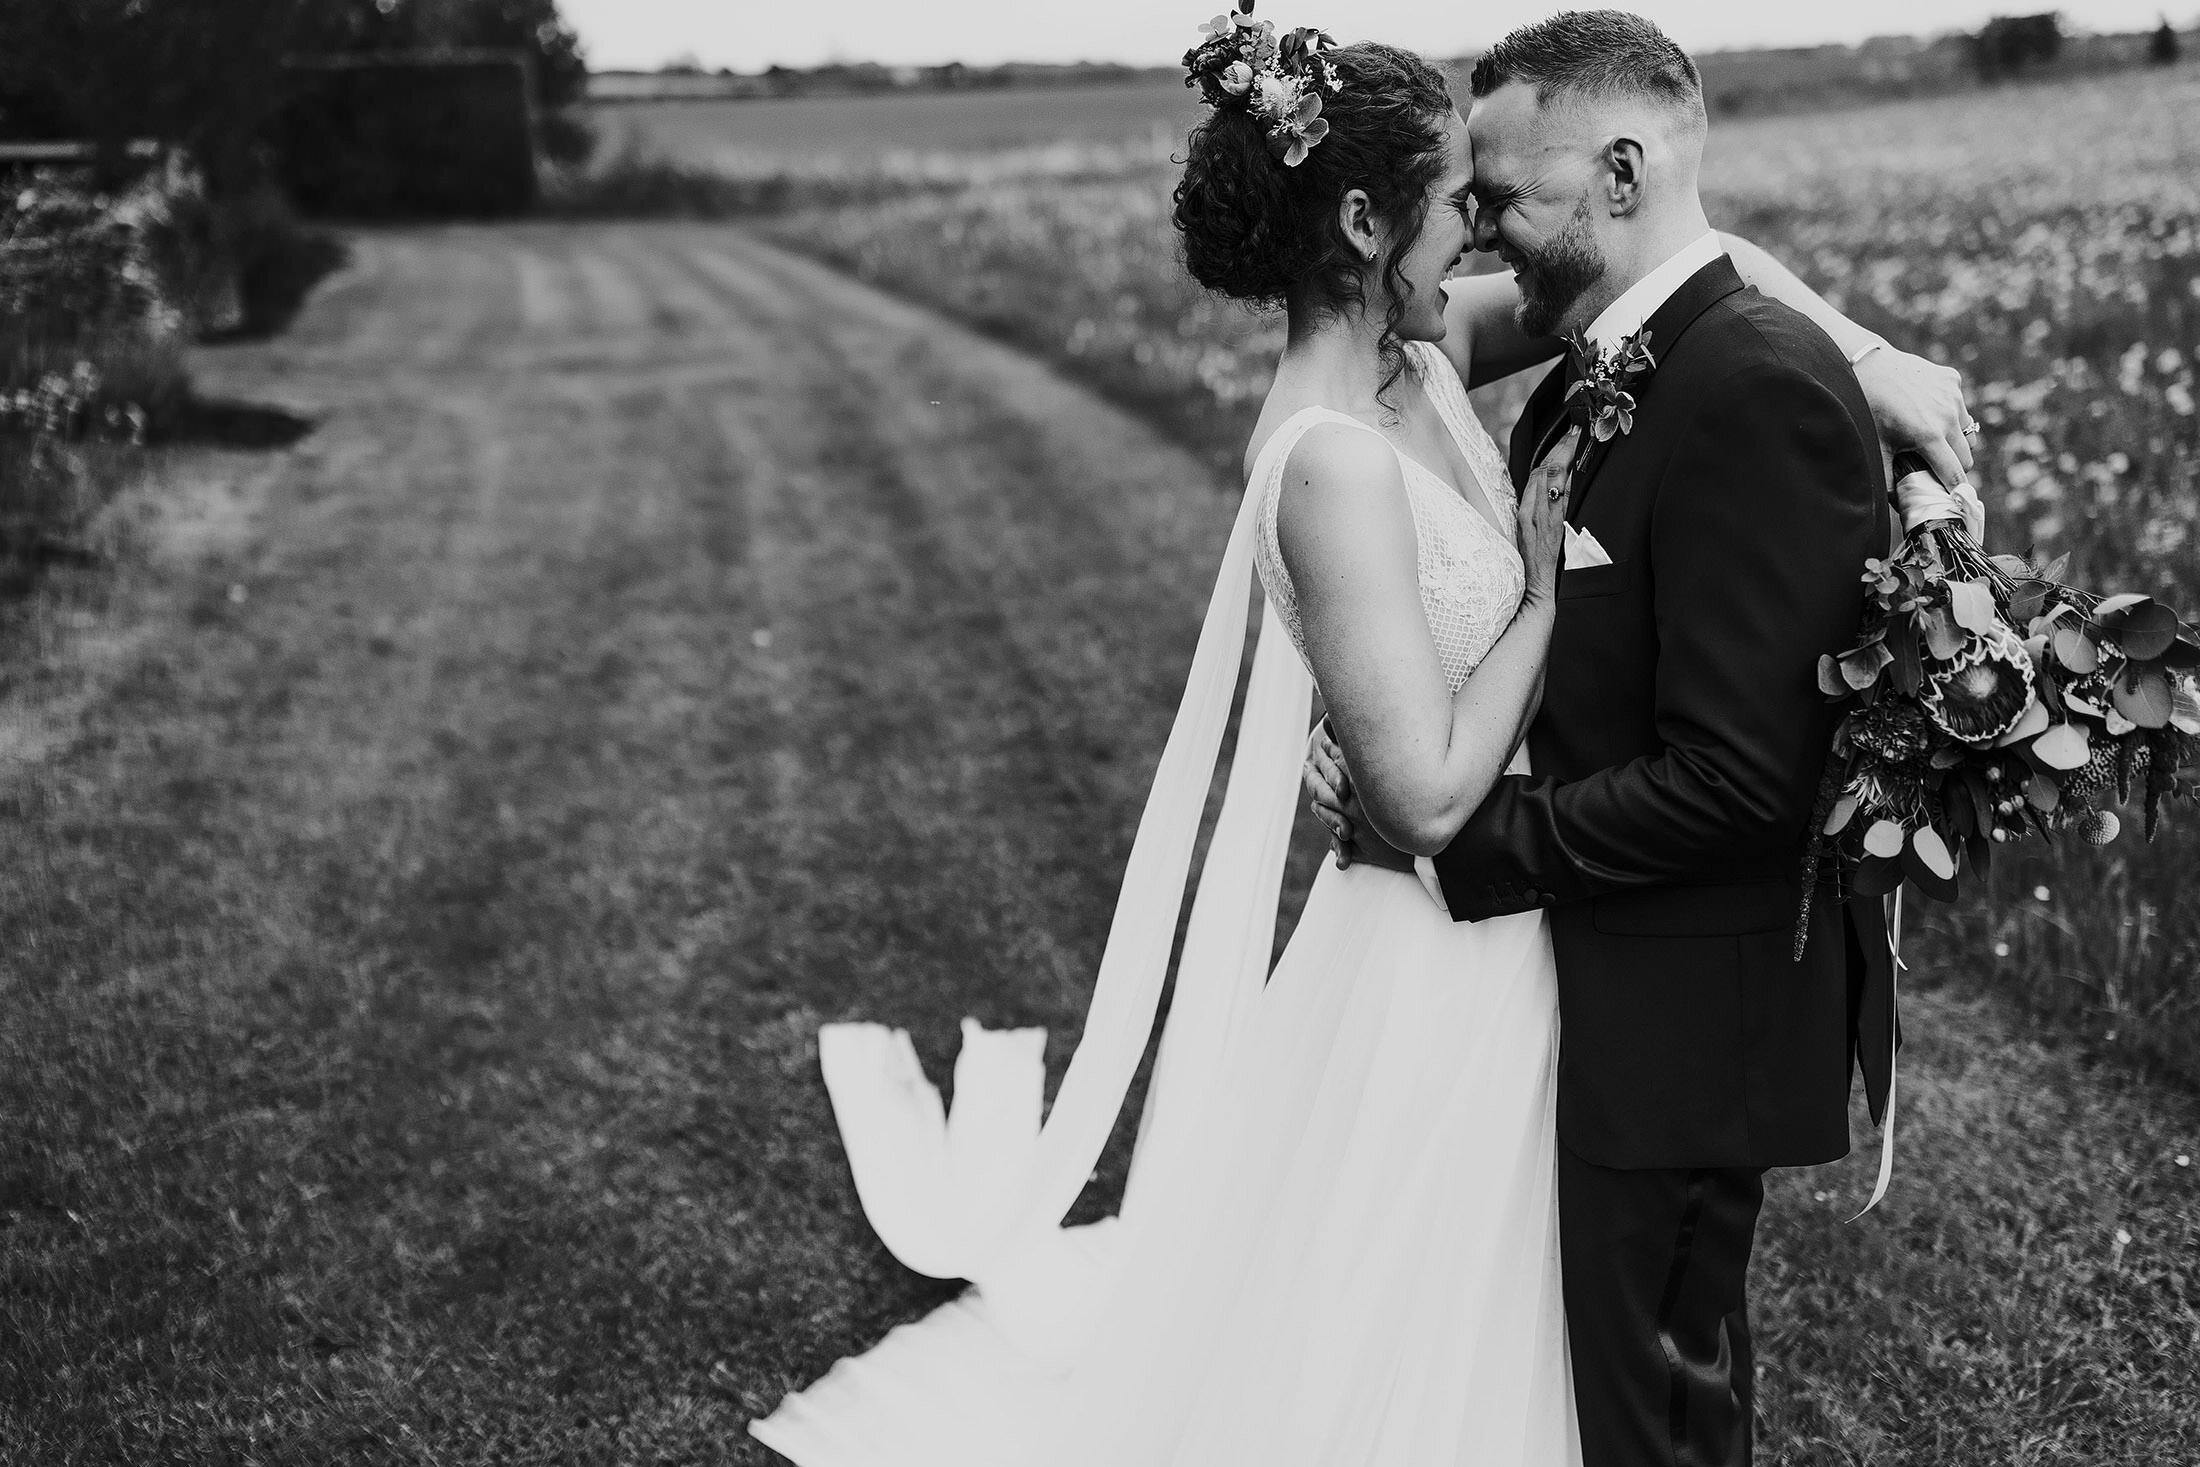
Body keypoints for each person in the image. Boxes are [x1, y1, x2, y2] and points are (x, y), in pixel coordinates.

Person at [752, 16, 1975, 1465]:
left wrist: (1870, 355)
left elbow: (1690, 269)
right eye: (1462, 201)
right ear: (1359, 220)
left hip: (1554, 921)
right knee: (1449, 1313)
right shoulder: (1328, 451)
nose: (1483, 237)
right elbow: (1429, 791)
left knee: (1555, 1312)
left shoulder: (1427, 347)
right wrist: (1532, 578)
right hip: (1456, 926)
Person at [1307, 12, 1983, 1465]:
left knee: (1659, 1413)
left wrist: (1461, 843)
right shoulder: (1591, 365)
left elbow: (1747, 781)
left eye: (1497, 191)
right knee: (1607, 1392)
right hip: (1608, 978)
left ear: (1620, 173)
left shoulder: (1750, 389)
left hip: (1690, 1002)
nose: (1476, 225)